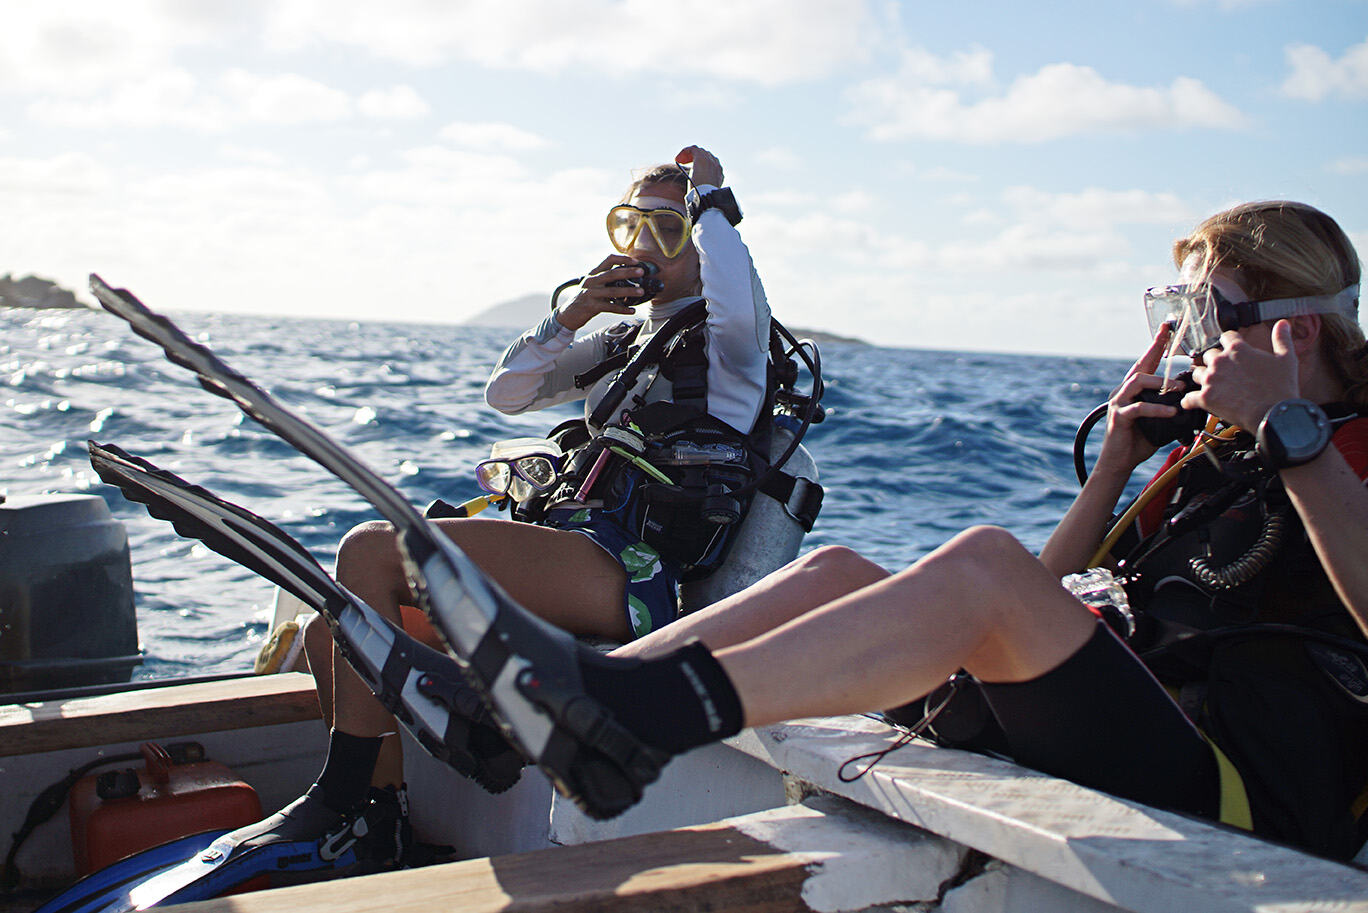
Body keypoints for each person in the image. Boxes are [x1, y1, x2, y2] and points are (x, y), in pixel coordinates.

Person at [478, 200, 1366, 860]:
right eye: (1180, 314)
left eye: (1206, 316)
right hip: (1114, 719)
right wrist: (1116, 466)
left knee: (981, 562)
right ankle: (569, 700)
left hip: (1238, 791)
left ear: (1292, 332)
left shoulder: (1318, 450)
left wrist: (1290, 434)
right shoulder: (1220, 457)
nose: (1188, 343)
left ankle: (641, 715)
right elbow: (1043, 600)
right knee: (836, 570)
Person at [272, 145, 778, 868]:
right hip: (572, 547)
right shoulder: (621, 343)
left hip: (632, 576)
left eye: (669, 231)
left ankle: (341, 793)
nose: (644, 246)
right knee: (338, 634)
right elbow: (507, 392)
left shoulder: (733, 351)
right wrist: (572, 315)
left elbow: (739, 298)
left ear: (701, 245)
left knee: (369, 551)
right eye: (630, 226)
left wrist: (712, 200)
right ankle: (379, 821)